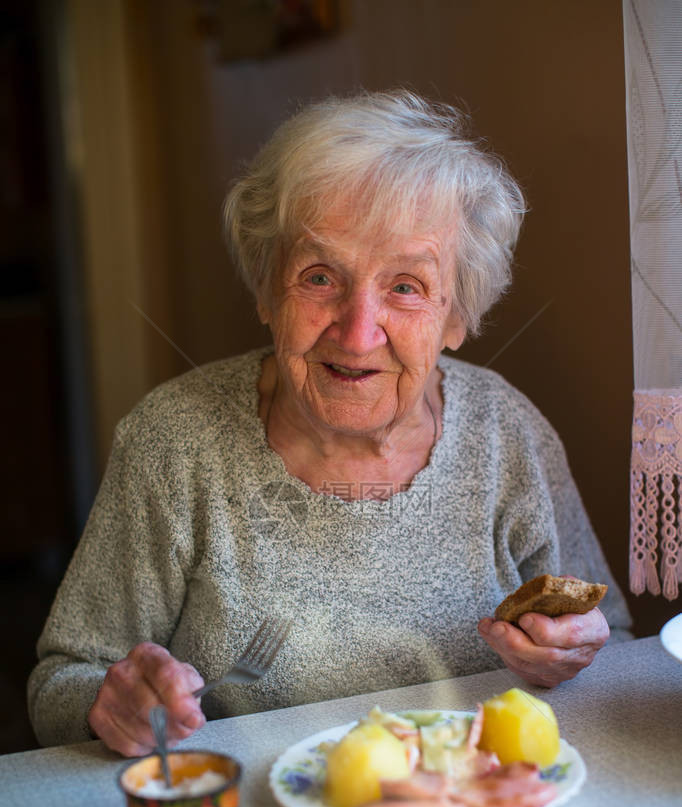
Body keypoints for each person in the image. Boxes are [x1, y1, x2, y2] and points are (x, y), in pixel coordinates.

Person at [28, 90, 632, 755]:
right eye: (320, 276)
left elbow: (613, 644)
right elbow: (61, 682)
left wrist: (572, 660)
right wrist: (110, 702)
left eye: (405, 286)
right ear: (265, 287)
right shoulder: (173, 439)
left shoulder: (507, 432)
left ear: (457, 315)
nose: (357, 330)